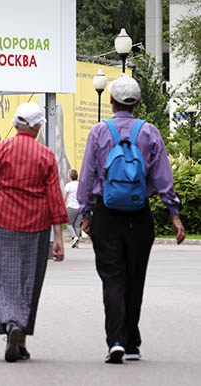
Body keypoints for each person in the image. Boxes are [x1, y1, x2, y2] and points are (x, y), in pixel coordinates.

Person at [77, 73, 185, 364]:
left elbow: (86, 177)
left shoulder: (99, 132)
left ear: (111, 101)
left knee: (112, 279)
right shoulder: (149, 132)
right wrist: (174, 214)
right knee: (135, 278)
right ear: (137, 103)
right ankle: (132, 342)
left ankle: (116, 341)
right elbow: (163, 177)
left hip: (106, 214)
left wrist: (86, 213)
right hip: (139, 215)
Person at [0, 102, 67, 363]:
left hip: (1, 220)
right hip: (37, 224)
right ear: (37, 127)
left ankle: (11, 326)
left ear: (16, 124)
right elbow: (54, 197)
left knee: (4, 278)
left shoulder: (0, 149)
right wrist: (59, 237)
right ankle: (21, 336)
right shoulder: (46, 155)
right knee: (30, 280)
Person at [64, 169, 83, 248]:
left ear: (69, 176)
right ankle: (76, 243)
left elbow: (65, 197)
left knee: (68, 224)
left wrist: (63, 204)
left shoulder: (68, 185)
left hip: (71, 207)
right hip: (80, 207)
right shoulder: (80, 184)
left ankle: (74, 237)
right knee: (77, 225)